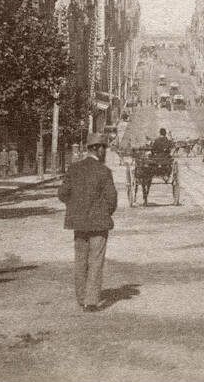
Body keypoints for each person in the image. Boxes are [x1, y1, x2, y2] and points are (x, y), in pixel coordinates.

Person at [58, 132, 117, 312]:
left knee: (80, 260)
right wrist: (105, 212)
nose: (104, 151)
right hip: (98, 223)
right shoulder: (104, 171)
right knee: (96, 260)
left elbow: (62, 194)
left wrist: (75, 207)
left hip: (79, 223)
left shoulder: (74, 168)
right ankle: (91, 301)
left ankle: (81, 297)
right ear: (97, 149)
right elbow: (112, 198)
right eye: (103, 148)